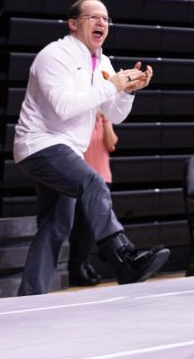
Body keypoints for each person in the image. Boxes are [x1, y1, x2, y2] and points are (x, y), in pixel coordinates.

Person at [13, 0, 168, 295]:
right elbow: (64, 106)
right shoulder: (54, 55)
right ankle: (123, 257)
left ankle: (29, 298)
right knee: (93, 182)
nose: (102, 23)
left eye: (106, 18)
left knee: (54, 226)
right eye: (93, 17)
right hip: (40, 144)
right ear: (73, 24)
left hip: (66, 149)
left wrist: (127, 93)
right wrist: (112, 86)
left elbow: (114, 115)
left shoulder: (104, 62)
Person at [68, 113, 118, 286]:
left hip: (103, 177)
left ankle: (84, 263)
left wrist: (105, 121)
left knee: (91, 228)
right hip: (83, 178)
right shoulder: (81, 117)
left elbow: (111, 143)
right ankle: (76, 267)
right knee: (81, 227)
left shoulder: (105, 119)